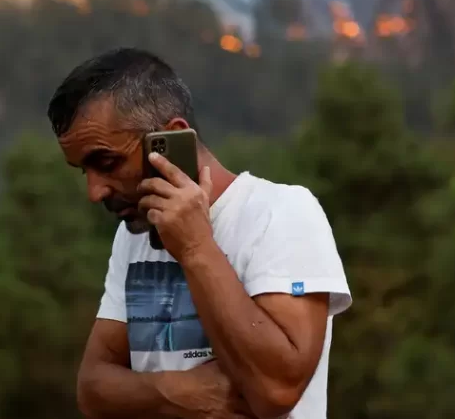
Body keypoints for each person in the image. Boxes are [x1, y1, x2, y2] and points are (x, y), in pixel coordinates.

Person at [47, 47, 352, 419]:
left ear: (171, 138)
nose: (95, 192)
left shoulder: (280, 213)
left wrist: (194, 248)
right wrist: (176, 391)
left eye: (107, 163)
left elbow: (276, 389)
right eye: (84, 171)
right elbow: (92, 389)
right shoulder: (135, 234)